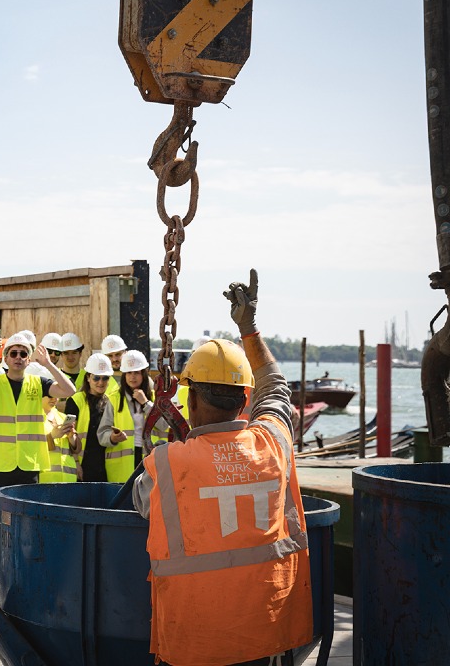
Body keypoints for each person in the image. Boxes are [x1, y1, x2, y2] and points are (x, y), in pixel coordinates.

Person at [134, 270, 312, 665]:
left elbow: (141, 503)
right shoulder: (274, 442)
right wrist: (248, 328)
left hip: (192, 638)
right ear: (244, 399)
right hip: (264, 631)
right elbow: (276, 386)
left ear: (191, 400)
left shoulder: (168, 463)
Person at [0, 331, 76, 594]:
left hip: (28, 463)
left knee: (26, 520)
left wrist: (49, 364)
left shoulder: (37, 382)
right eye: (12, 353)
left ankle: (22, 567)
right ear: (6, 357)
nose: (18, 358)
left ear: (29, 359)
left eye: (23, 354)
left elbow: (69, 390)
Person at [66, 353, 121, 483]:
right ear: (88, 378)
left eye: (105, 378)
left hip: (106, 466)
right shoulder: (75, 401)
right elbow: (67, 435)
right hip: (83, 465)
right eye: (96, 378)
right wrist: (76, 463)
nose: (100, 382)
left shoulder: (111, 402)